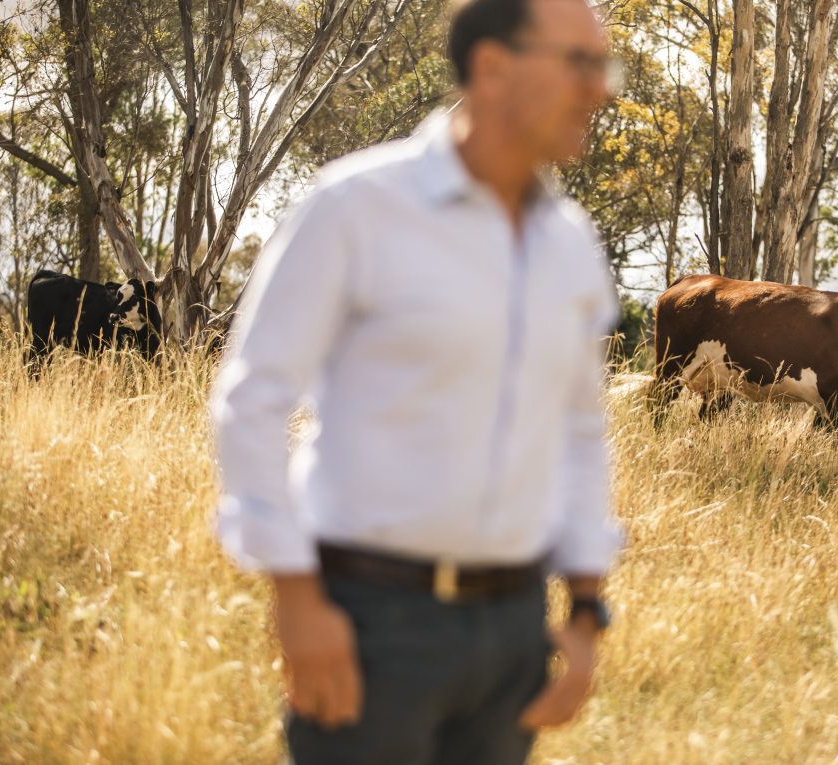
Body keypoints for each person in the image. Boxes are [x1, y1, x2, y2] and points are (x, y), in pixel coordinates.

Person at [210, 0, 624, 762]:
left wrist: (588, 607)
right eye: (581, 64)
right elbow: (253, 400)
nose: (602, 89)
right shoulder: (356, 208)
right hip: (374, 623)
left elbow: (578, 430)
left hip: (513, 636)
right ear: (493, 67)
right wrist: (297, 601)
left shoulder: (570, 243)